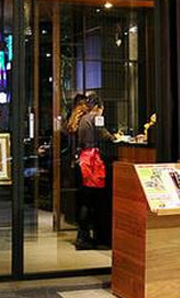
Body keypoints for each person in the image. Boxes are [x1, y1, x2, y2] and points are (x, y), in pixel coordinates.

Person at [67, 92, 116, 250]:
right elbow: (105, 135)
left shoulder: (82, 118)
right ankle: (87, 237)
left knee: (85, 200)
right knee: (91, 201)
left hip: (83, 160)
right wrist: (115, 137)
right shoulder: (96, 117)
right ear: (99, 107)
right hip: (92, 162)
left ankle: (83, 235)